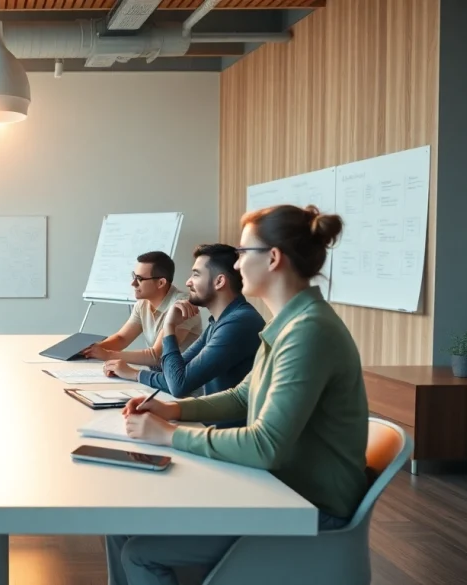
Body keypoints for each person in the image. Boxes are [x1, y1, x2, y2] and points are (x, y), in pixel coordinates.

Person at [105, 205, 369, 585]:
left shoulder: (308, 332)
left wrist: (168, 434)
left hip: (303, 505)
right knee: (122, 522)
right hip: (276, 487)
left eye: (244, 253)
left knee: (140, 553)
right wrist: (172, 409)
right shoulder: (288, 323)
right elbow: (243, 397)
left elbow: (265, 446)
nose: (238, 264)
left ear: (273, 258)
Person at [102, 244, 265, 407]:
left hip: (224, 429)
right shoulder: (220, 321)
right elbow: (172, 375)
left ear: (219, 281)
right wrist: (133, 374)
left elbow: (179, 385)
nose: (188, 282)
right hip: (209, 421)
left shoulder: (238, 323)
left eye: (196, 275)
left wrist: (169, 326)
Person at [85, 251, 203, 367]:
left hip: (182, 379)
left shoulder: (183, 306)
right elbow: (122, 338)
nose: (133, 283)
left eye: (139, 279)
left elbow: (156, 356)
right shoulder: (143, 303)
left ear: (161, 283)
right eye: (133, 276)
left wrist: (108, 355)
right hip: (158, 375)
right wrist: (92, 349)